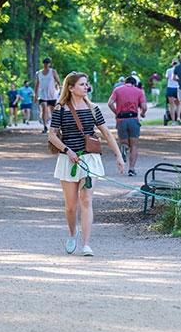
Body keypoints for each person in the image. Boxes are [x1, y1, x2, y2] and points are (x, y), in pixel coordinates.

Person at [47, 72, 125, 257]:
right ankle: (73, 234)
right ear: (71, 88)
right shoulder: (61, 109)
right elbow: (51, 135)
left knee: (87, 200)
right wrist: (68, 151)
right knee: (71, 206)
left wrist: (119, 156)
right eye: (82, 84)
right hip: (69, 160)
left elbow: (106, 133)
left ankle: (86, 244)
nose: (86, 87)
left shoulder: (93, 108)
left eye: (86, 84)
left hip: (89, 159)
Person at [108, 75, 147, 176]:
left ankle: (124, 148)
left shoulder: (117, 90)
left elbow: (110, 103)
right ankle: (132, 169)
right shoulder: (139, 91)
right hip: (133, 119)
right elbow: (144, 106)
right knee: (134, 145)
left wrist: (116, 112)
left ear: (125, 82)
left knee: (123, 142)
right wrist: (142, 113)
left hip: (121, 119)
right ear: (134, 83)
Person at [36, 57, 60, 132]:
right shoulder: (39, 73)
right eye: (45, 63)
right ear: (43, 64)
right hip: (42, 94)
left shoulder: (53, 72)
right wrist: (35, 95)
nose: (46, 65)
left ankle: (54, 127)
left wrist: (60, 88)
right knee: (44, 108)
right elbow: (37, 84)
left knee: (53, 111)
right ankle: (45, 126)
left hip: (52, 94)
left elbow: (58, 81)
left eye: (47, 63)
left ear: (49, 64)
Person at [163, 61, 179, 125]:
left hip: (170, 87)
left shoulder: (168, 70)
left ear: (172, 64)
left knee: (171, 105)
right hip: (178, 88)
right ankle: (178, 118)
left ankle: (173, 121)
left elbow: (167, 78)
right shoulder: (179, 70)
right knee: (178, 105)